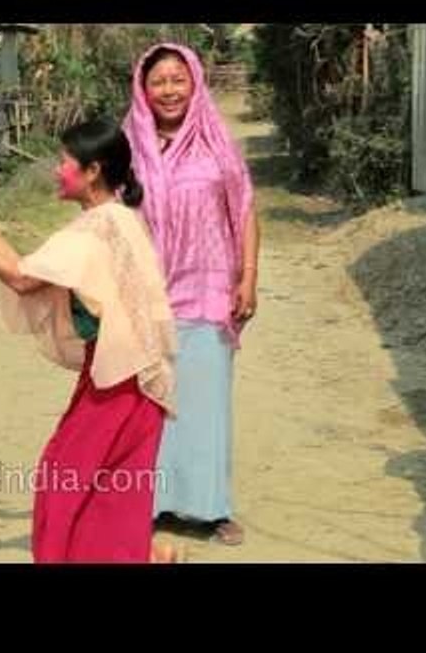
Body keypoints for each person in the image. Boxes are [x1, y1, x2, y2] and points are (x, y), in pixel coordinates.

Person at [0, 119, 176, 563]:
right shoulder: (112, 219)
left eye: (65, 161)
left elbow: (20, 278)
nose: (57, 170)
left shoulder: (98, 229)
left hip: (121, 383)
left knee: (64, 480)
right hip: (128, 377)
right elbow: (31, 268)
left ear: (92, 171)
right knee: (107, 494)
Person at [123, 43, 260, 545]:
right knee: (148, 405)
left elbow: (244, 209)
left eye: (178, 78)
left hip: (207, 290)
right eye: (158, 81)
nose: (169, 90)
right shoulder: (129, 146)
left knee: (206, 401)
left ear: (195, 81)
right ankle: (150, 503)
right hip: (145, 296)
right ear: (143, 87)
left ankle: (210, 506)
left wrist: (247, 277)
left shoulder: (217, 143)